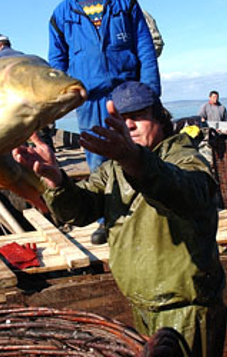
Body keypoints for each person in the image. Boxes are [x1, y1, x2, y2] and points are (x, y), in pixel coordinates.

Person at [13, 81, 226, 357]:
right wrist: (56, 180)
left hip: (186, 310)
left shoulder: (184, 157)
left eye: (138, 116)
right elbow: (80, 209)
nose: (130, 126)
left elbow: (190, 193)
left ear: (159, 117)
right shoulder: (111, 170)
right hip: (140, 306)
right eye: (122, 120)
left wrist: (134, 160)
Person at [49, 0, 160, 244]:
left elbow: (145, 48)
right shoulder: (61, 14)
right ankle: (106, 221)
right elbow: (57, 62)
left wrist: (150, 93)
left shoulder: (126, 4)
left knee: (139, 153)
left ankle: (151, 213)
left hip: (127, 93)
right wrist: (61, 100)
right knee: (98, 161)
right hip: (89, 101)